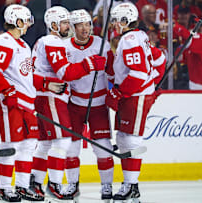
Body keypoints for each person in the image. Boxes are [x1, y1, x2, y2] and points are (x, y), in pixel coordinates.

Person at [30, 6, 106, 201]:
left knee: (46, 143)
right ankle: (54, 185)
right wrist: (88, 65)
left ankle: (35, 183)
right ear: (54, 25)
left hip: (43, 95)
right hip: (51, 97)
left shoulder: (43, 41)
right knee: (62, 141)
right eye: (64, 22)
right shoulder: (53, 41)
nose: (68, 26)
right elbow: (64, 73)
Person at [0, 4, 43, 202]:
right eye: (25, 21)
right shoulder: (4, 41)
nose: (27, 25)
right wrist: (8, 91)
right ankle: (5, 188)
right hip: (12, 103)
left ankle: (22, 187)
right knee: (11, 145)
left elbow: (26, 76)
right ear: (17, 21)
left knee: (28, 145)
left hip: (27, 103)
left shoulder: (23, 45)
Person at [106, 3, 158, 202]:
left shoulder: (129, 39)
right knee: (123, 139)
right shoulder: (140, 35)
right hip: (134, 93)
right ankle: (129, 183)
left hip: (135, 95)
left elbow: (137, 73)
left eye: (117, 20)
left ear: (126, 21)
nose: (114, 24)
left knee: (131, 140)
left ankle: (131, 185)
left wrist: (118, 93)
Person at [61, 9, 115, 201]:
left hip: (99, 105)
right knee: (71, 148)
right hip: (74, 104)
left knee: (103, 147)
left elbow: (112, 73)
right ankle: (73, 185)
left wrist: (117, 90)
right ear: (73, 28)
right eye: (80, 25)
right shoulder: (65, 47)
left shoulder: (102, 45)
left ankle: (107, 186)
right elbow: (63, 76)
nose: (85, 29)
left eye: (88, 24)